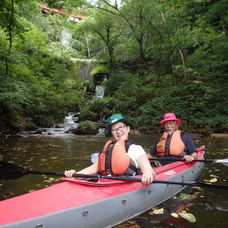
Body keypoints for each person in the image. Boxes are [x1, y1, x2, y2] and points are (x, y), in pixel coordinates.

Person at [65, 114, 155, 185]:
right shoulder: (109, 149)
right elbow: (92, 169)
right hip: (104, 183)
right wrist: (74, 174)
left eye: (121, 127)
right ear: (112, 134)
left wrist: (148, 174)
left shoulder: (136, 149)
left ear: (128, 128)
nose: (118, 131)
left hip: (125, 183)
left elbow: (148, 169)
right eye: (114, 129)